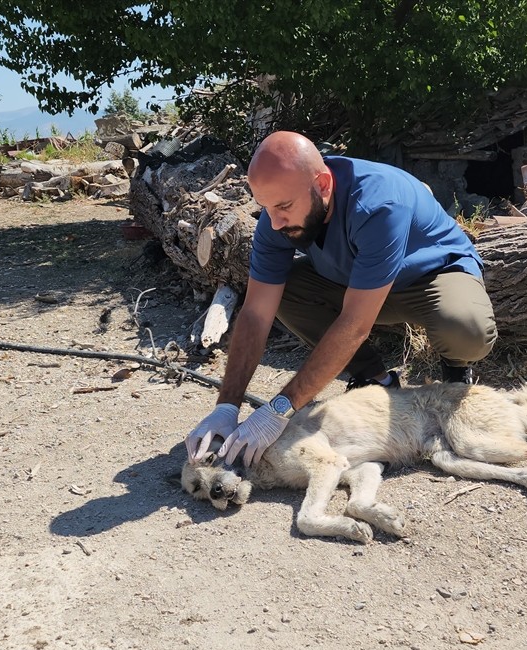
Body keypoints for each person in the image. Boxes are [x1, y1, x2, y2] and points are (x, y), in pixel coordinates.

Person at [185, 131, 497, 468]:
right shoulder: (277, 219)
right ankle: (375, 377)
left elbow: (354, 324)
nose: (274, 222)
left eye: (285, 207)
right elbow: (256, 314)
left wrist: (278, 410)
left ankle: (456, 367)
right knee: (283, 293)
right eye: (266, 208)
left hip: (430, 276)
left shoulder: (379, 202)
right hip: (358, 281)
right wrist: (226, 406)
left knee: (468, 329)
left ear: (322, 186)